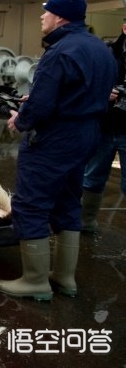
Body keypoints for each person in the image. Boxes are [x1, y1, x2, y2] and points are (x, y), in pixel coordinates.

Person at [0, 0, 117, 300]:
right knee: (67, 199)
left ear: (60, 17)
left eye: (46, 12)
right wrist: (37, 101)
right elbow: (90, 92)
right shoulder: (101, 49)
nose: (42, 17)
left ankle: (35, 280)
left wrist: (21, 119)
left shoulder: (60, 51)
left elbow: (42, 105)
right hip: (88, 132)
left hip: (56, 137)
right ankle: (64, 277)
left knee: (31, 203)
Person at [80, 20, 126, 233]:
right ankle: (85, 223)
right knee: (93, 176)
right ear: (124, 27)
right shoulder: (106, 53)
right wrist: (104, 93)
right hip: (105, 126)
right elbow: (87, 83)